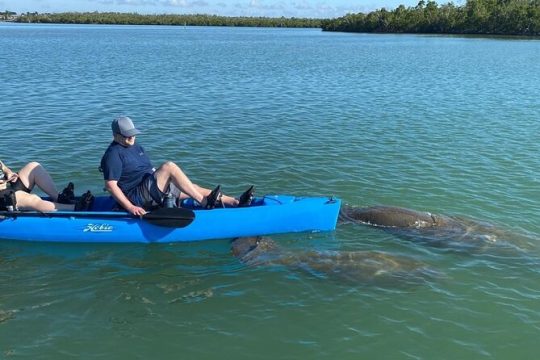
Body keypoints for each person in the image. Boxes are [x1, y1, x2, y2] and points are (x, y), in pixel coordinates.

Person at [100, 116, 254, 216]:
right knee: (169, 167)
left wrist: (168, 183)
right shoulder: (113, 154)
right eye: (127, 135)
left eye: (132, 133)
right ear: (116, 135)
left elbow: (149, 170)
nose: (131, 137)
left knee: (192, 187)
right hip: (137, 197)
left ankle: (235, 202)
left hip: (150, 188)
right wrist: (130, 207)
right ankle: (205, 202)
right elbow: (111, 186)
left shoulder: (136, 147)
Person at [0, 160, 94, 212]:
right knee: (31, 198)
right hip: (3, 195)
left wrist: (8, 172)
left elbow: (3, 167)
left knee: (33, 166)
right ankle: (76, 208)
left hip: (6, 185)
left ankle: (59, 199)